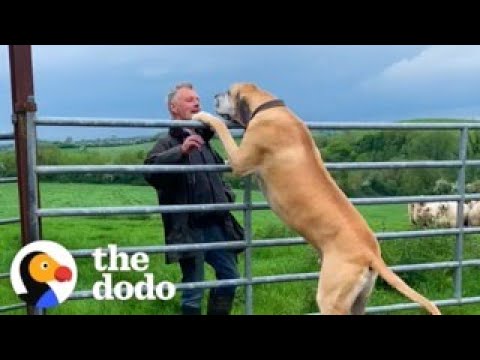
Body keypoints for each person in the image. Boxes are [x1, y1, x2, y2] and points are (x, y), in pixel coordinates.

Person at [144, 82, 244, 315]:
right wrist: (181, 151)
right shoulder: (167, 143)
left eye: (198, 99)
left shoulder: (205, 141)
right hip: (189, 228)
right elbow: (150, 171)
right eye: (189, 100)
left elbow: (218, 173)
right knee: (194, 288)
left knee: (230, 277)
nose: (197, 103)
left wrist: (226, 193)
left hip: (217, 224)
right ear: (173, 108)